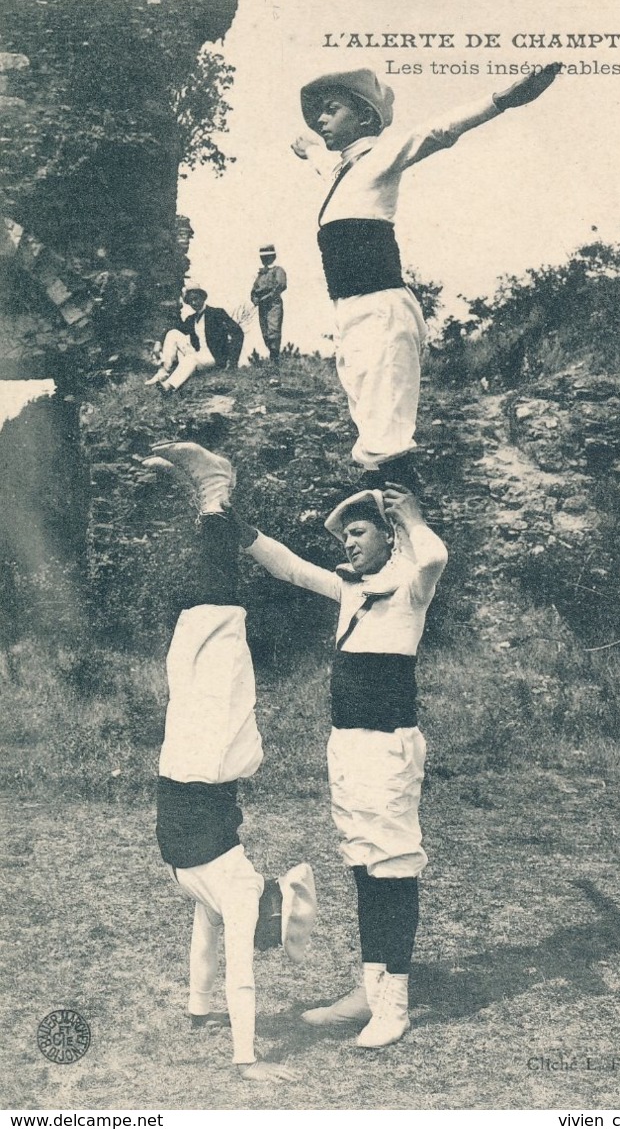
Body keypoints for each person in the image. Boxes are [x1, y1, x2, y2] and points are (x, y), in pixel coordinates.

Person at [149, 441, 448, 1049]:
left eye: (361, 531)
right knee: (362, 861)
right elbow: (285, 565)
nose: (350, 543)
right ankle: (368, 989)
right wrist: (242, 529)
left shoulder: (410, 590)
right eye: (345, 538)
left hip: (389, 746)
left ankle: (395, 1002)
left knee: (391, 864)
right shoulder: (351, 593)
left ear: (390, 538)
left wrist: (413, 517)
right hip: (348, 748)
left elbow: (435, 556)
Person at [291, 64, 561, 486]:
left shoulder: (380, 156)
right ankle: (387, 519)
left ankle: (405, 516)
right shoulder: (343, 172)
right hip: (349, 313)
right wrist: (308, 149)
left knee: (386, 436)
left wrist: (500, 101)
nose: (321, 120)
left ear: (364, 117)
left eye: (330, 110)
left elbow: (435, 131)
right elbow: (324, 170)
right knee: (369, 423)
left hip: (381, 308)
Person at [141, 442, 317, 1082]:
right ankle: (211, 498)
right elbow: (225, 956)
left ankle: (212, 498)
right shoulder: (231, 891)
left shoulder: (236, 889)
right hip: (181, 788)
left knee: (206, 629)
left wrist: (224, 1034)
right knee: (199, 633)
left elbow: (223, 955)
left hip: (201, 770)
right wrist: (225, 1035)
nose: (264, 933)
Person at [146, 283, 244, 391]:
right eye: (190, 301)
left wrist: (233, 361)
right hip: (199, 354)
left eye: (196, 299)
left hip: (214, 356)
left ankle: (169, 386)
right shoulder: (191, 319)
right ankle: (163, 372)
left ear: (202, 298)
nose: (194, 303)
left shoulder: (216, 313)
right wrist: (158, 342)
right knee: (173, 333)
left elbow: (238, 333)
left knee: (191, 358)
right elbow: (173, 329)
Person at [250, 244, 287, 361]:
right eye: (263, 257)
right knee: (265, 331)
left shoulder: (278, 270)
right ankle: (272, 356)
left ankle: (274, 358)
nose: (265, 259)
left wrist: (268, 297)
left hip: (273, 304)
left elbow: (281, 285)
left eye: (268, 257)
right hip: (262, 306)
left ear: (273, 257)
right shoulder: (260, 274)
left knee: (273, 329)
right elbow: (254, 290)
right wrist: (255, 298)